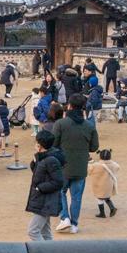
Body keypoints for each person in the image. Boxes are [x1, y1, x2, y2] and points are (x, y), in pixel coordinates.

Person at [53, 93, 99, 234]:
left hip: (63, 165)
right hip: (80, 166)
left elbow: (53, 143)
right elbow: (94, 147)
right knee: (76, 197)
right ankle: (74, 223)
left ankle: (64, 217)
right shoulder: (89, 126)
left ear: (69, 106)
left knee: (60, 191)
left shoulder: (60, 123)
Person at [26, 130, 66, 242]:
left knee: (33, 231)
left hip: (45, 201)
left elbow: (58, 182)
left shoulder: (50, 160)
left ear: (40, 145)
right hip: (43, 200)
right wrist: (35, 161)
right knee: (45, 232)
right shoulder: (44, 157)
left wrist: (40, 188)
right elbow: (39, 173)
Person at [88, 148, 119, 218]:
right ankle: (112, 208)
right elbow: (117, 167)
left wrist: (90, 162)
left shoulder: (96, 165)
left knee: (99, 198)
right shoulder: (113, 165)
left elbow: (89, 171)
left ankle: (102, 213)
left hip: (99, 186)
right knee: (106, 197)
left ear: (100, 156)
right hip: (109, 185)